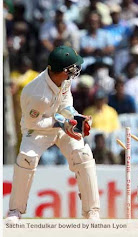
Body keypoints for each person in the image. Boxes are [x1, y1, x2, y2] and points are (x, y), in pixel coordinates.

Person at [6, 45, 100, 221]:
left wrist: (77, 119)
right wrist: (61, 124)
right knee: (27, 158)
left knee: (83, 154)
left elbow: (65, 103)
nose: (76, 70)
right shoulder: (36, 93)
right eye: (73, 67)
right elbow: (34, 122)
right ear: (63, 70)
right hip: (37, 129)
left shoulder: (65, 79)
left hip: (60, 124)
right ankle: (15, 211)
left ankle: (91, 211)